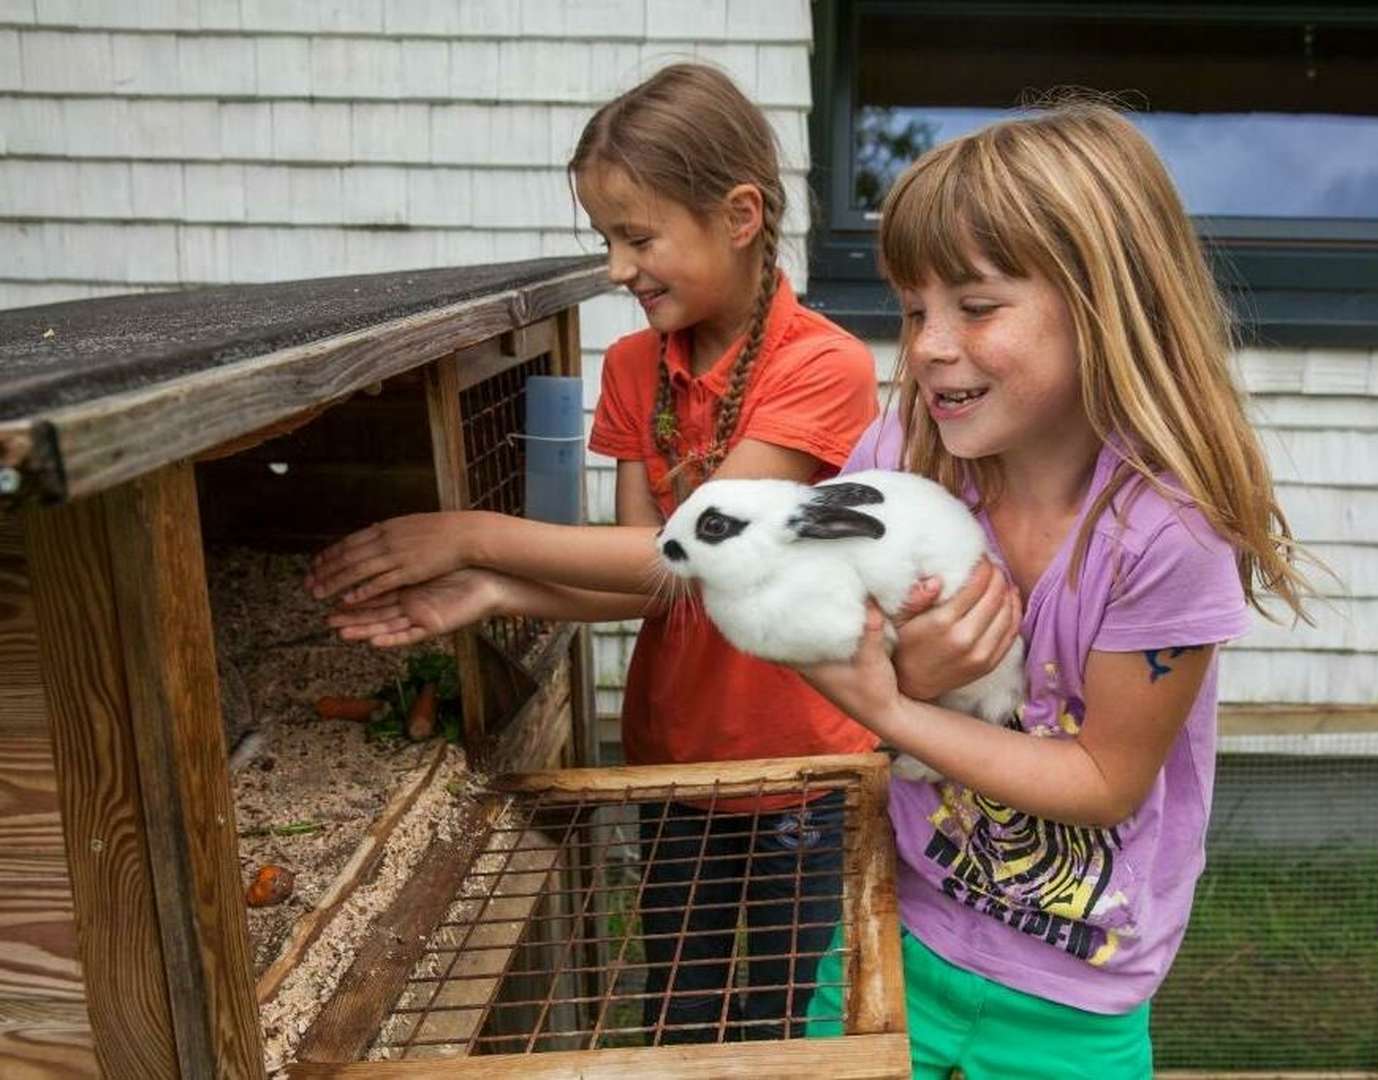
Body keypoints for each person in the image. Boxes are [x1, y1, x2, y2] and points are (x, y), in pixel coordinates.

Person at [305, 63, 879, 1043]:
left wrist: (474, 534)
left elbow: (694, 554)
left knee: (789, 1021)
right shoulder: (632, 366)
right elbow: (646, 579)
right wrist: (491, 588)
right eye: (607, 238)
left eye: (638, 236)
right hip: (672, 758)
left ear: (739, 215)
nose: (618, 268)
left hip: (807, 768)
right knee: (682, 1011)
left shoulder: (821, 365)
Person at [800, 101, 1314, 1079]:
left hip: (1075, 998)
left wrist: (886, 705)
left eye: (976, 307)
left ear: (1103, 305)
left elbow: (1103, 780)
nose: (925, 347)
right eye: (914, 310)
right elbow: (805, 608)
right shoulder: (903, 452)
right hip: (894, 933)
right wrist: (895, 671)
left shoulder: (1169, 530)